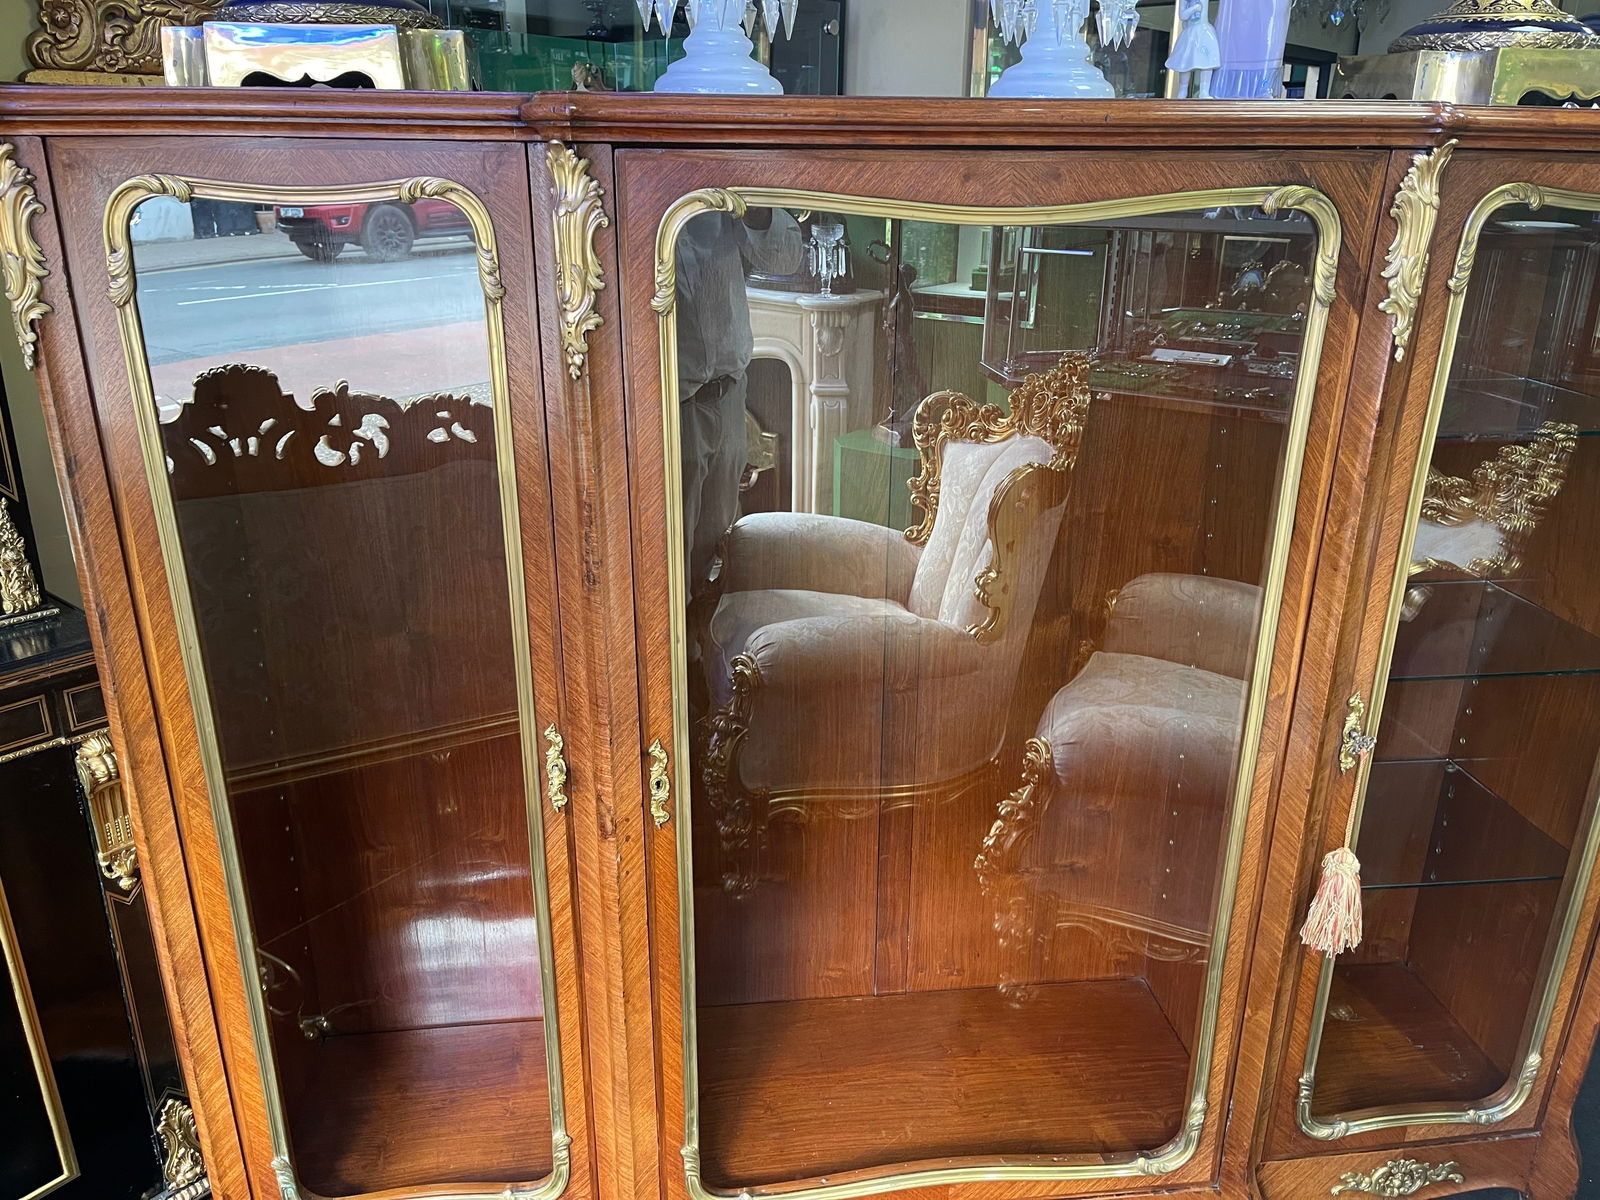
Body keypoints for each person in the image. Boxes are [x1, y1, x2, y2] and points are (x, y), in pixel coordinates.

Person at [675, 207, 803, 594]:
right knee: (665, 557)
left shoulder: (720, 174)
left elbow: (786, 258)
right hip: (665, 404)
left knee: (712, 549)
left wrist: (754, 206)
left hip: (728, 394)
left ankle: (697, 650)